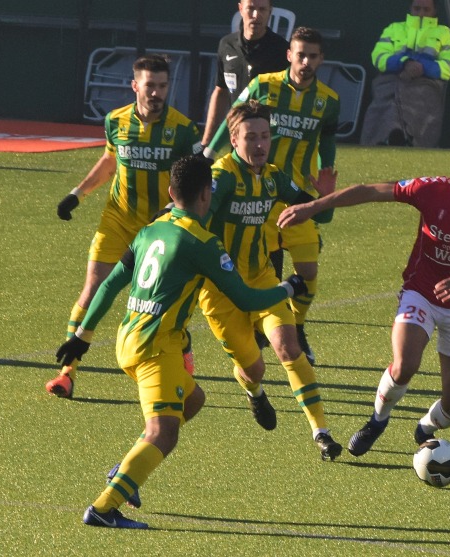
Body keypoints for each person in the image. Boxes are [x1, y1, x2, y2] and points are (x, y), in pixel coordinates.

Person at [54, 155, 308, 529]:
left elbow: (109, 284)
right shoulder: (202, 242)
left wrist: (82, 336)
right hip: (158, 349)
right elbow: (248, 301)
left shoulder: (149, 229)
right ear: (207, 194)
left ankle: (127, 472)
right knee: (164, 434)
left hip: (128, 339)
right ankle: (104, 508)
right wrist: (289, 286)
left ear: (172, 192)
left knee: (193, 400)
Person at [278, 132, 450, 457]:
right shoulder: (433, 189)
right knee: (405, 364)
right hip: (421, 292)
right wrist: (313, 206)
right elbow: (370, 191)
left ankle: (426, 429)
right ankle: (378, 420)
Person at [47, 54, 202, 399]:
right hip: (117, 221)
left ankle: (183, 346)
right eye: (150, 86)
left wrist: (167, 210)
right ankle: (67, 373)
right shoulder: (115, 121)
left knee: (164, 300)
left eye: (163, 86)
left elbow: (192, 181)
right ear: (135, 86)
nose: (157, 93)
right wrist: (77, 194)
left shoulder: (182, 129)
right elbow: (109, 160)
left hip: (161, 228)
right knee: (92, 289)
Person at [200, 100, 343, 461]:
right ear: (234, 139)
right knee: (255, 368)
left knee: (288, 348)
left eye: (265, 136)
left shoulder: (276, 176)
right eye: (251, 137)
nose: (260, 144)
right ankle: (254, 392)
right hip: (219, 292)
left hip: (263, 278)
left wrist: (323, 199)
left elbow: (314, 217)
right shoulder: (222, 177)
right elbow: (195, 223)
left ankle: (321, 432)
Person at [206, 27, 340, 363]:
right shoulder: (264, 85)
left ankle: (298, 325)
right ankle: (269, 332)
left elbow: (327, 141)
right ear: (289, 55)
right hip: (257, 193)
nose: (305, 61)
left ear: (321, 59)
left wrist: (326, 177)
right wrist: (208, 153)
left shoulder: (329, 101)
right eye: (300, 54)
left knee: (308, 270)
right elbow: (233, 119)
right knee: (266, 269)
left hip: (299, 195)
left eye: (312, 55)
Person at [359, 0, 450, 148]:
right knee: (389, 103)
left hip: (425, 85)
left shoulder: (444, 33)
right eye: (417, 8)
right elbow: (378, 57)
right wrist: (405, 63)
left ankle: (404, 139)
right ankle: (385, 139)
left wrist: (422, 67)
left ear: (435, 10)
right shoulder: (393, 29)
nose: (421, 13)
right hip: (391, 81)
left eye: (426, 9)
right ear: (410, 8)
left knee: (412, 101)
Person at [201, 0, 289, 150]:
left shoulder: (282, 51)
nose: (256, 15)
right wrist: (207, 141)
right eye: (250, 8)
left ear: (270, 11)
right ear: (240, 9)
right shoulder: (226, 45)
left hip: (269, 142)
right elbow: (221, 91)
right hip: (237, 138)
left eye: (262, 9)